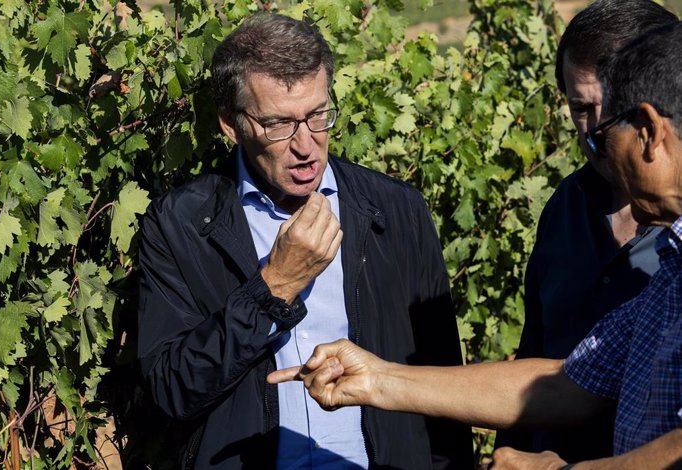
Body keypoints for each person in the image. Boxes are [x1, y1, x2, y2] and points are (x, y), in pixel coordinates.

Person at [269, 20, 682, 470]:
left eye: (603, 136)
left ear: (649, 131)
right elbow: (569, 383)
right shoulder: (671, 276)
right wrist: (377, 378)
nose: (593, 149)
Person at [136, 13, 472, 470]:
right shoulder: (178, 224)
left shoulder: (397, 211)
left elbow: (442, 382)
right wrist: (272, 287)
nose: (306, 144)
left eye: (318, 115)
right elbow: (173, 389)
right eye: (278, 124)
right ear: (231, 126)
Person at [500, 0, 677, 460]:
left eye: (614, 111)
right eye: (582, 110)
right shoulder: (562, 211)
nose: (597, 130)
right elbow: (550, 371)